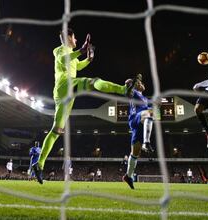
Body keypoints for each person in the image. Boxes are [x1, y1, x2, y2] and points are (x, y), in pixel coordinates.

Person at [32, 29, 136, 184]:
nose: (76, 40)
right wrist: (81, 50)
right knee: (92, 82)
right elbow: (63, 59)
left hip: (63, 93)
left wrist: (88, 59)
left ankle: (39, 164)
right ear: (68, 38)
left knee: (56, 130)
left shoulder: (71, 54)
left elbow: (77, 66)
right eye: (74, 37)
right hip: (64, 86)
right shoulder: (60, 50)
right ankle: (123, 89)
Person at [123, 75, 154, 189]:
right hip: (136, 118)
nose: (142, 84)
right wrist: (129, 84)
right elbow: (128, 93)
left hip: (140, 125)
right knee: (150, 113)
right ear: (137, 85)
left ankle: (128, 176)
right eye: (140, 83)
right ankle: (146, 142)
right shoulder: (135, 93)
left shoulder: (145, 98)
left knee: (135, 154)